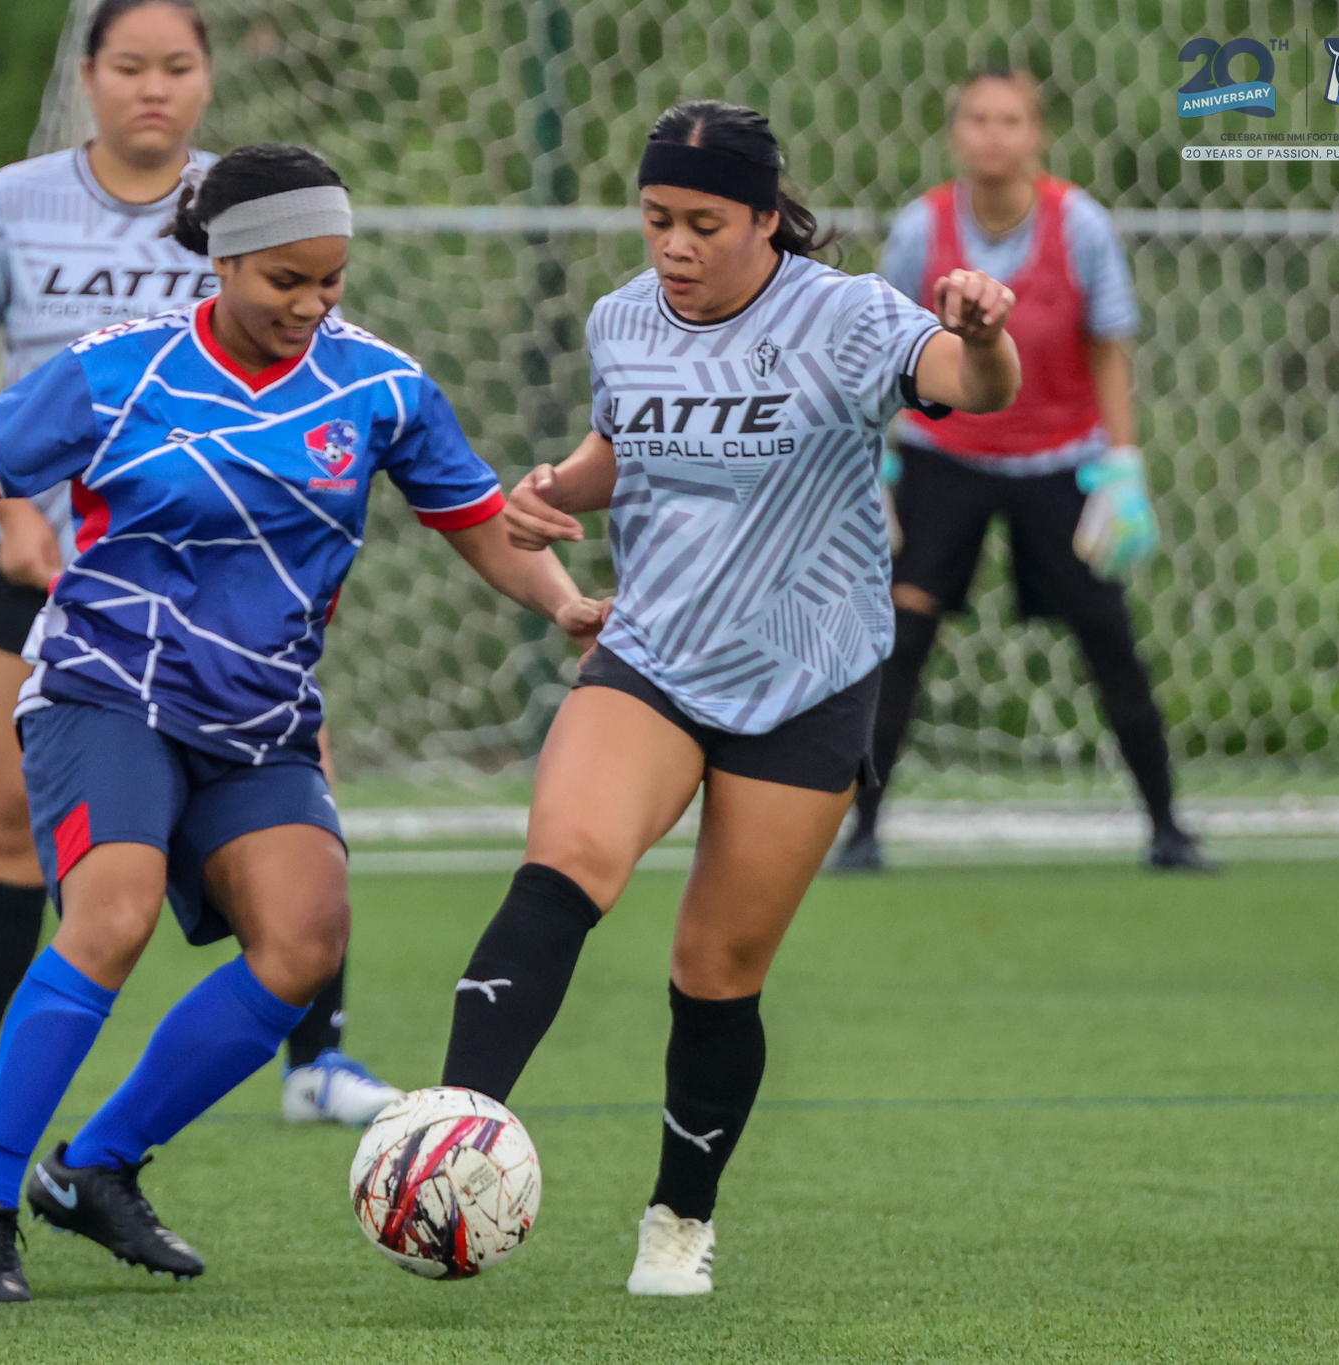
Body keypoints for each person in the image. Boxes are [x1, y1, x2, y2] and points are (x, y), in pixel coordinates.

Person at [0, 143, 608, 1303]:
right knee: (108, 918)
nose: (311, 306)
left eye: (332, 281)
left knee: (303, 946)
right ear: (224, 261)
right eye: (286, 282)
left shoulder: (380, 388)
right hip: (104, 690)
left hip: (258, 717)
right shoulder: (121, 371)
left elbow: (474, 520)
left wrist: (562, 603)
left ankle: (96, 1169)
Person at [434, 99, 1018, 1297]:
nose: (673, 247)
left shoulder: (846, 317)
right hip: (652, 657)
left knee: (715, 971)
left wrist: (983, 333)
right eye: (655, 219)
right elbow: (620, 447)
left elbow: (973, 382)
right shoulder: (621, 318)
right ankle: (448, 1136)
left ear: (766, 219)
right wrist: (552, 488)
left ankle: (677, 1224)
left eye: (703, 223)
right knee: (564, 863)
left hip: (807, 680)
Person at [0, 0, 400, 1129]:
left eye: (176, 66)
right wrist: (13, 515)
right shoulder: (7, 208)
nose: (152, 88)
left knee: (291, 790)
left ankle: (316, 1062)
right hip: (52, 570)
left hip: (234, 585)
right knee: (14, 807)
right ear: (87, 76)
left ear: (208, 81)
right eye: (129, 66)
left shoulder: (258, 213)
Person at [833, 67, 1213, 873]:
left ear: (1036, 134)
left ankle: (1168, 828)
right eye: (977, 118)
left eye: (1011, 119)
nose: (993, 134)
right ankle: (861, 832)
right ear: (954, 133)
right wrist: (875, 468)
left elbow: (1107, 347)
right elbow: (878, 353)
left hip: (1059, 465)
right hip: (944, 460)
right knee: (897, 639)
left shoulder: (1080, 226)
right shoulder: (918, 230)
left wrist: (1124, 465)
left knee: (1108, 636)